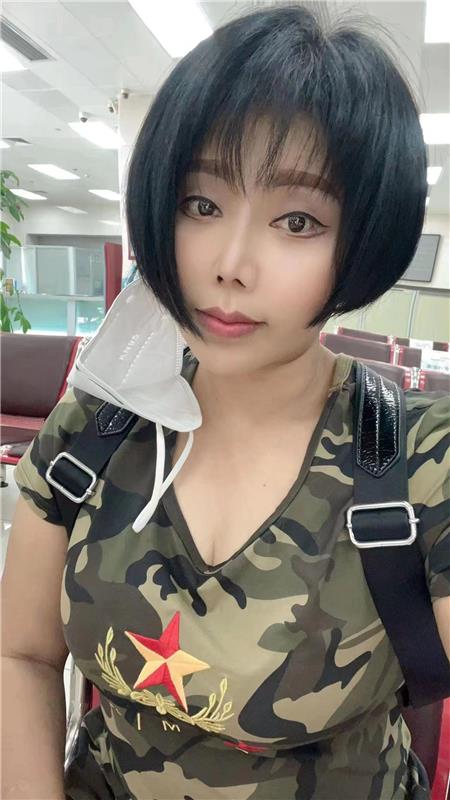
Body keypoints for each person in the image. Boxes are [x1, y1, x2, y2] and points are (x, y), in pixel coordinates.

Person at [2, 3, 449, 799]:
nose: (230, 264)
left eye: (298, 220)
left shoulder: (421, 460)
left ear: (363, 242)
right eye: (201, 205)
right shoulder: (93, 427)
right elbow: (24, 653)